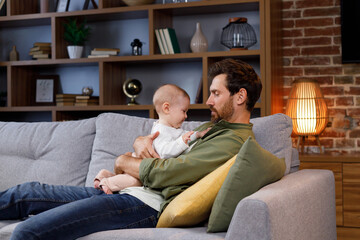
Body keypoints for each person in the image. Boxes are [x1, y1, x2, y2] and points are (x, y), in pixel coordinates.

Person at [0, 58, 262, 240]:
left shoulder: (231, 142)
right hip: (129, 190)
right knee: (26, 192)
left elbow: (169, 173)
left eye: (216, 94)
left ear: (239, 97)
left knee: (27, 232)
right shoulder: (214, 126)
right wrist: (138, 142)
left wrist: (124, 162)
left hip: (143, 205)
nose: (207, 101)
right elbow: (162, 137)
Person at [94, 84, 209, 194]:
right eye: (184, 111)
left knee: (127, 177)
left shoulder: (173, 128)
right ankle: (106, 183)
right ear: (167, 108)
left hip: (139, 164)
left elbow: (186, 134)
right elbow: (164, 152)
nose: (186, 116)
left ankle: (104, 175)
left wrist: (197, 135)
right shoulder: (160, 131)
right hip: (140, 166)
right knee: (134, 182)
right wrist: (182, 141)